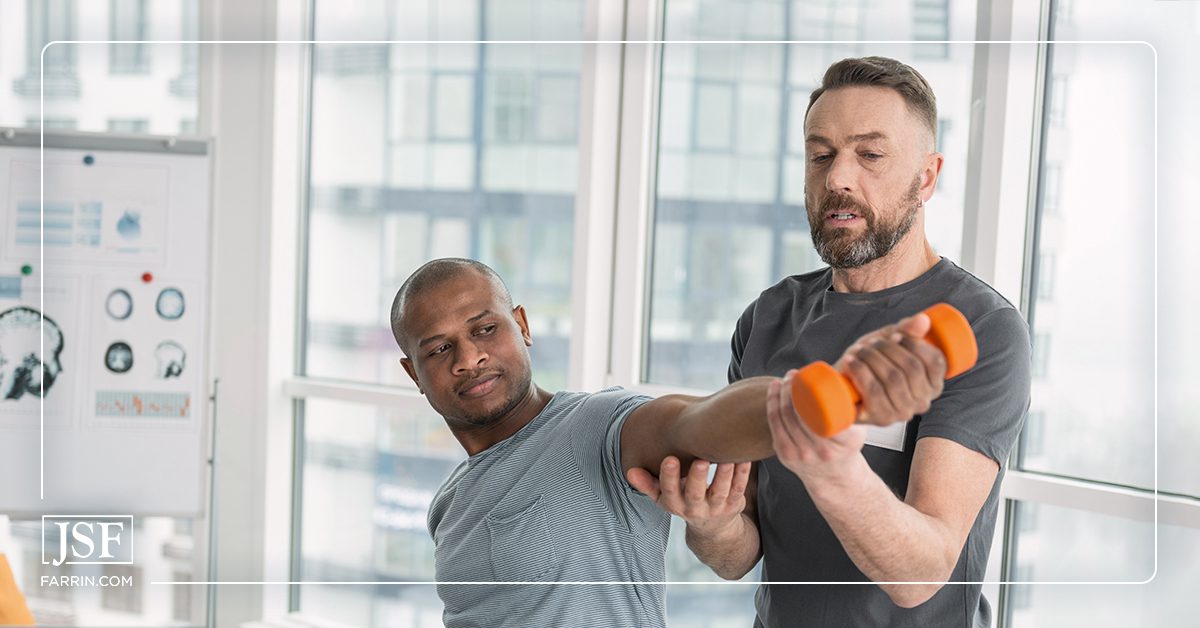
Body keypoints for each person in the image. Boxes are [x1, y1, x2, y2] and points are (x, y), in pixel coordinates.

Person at [628, 56, 1032, 627]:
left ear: (926, 177)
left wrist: (828, 464)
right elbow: (737, 555)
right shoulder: (768, 317)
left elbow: (920, 576)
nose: (838, 178)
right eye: (821, 155)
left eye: (870, 155)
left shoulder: (982, 327)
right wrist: (711, 522)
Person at [389, 257, 945, 627]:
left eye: (485, 329)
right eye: (438, 350)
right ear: (414, 374)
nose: (469, 358)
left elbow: (696, 421)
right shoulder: (449, 505)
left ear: (522, 326)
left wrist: (818, 398)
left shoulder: (599, 425)